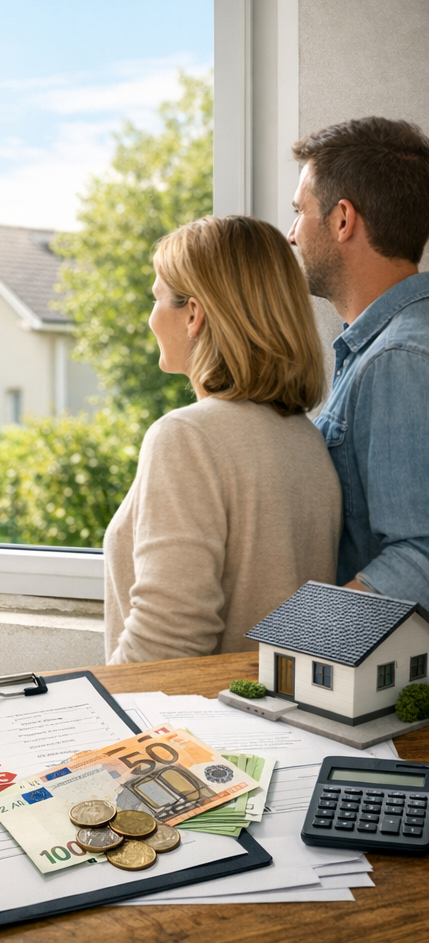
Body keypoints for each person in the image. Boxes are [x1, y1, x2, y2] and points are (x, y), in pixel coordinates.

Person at [104, 215, 340, 664]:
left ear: (193, 314)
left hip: (184, 728)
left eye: (157, 298)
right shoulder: (306, 439)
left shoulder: (185, 437)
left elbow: (164, 645)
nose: (152, 317)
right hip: (267, 721)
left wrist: (93, 718)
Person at [288, 117, 429, 602]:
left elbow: (420, 558)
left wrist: (300, 643)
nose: (291, 235)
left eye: (299, 212)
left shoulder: (399, 358)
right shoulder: (380, 346)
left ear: (343, 219)